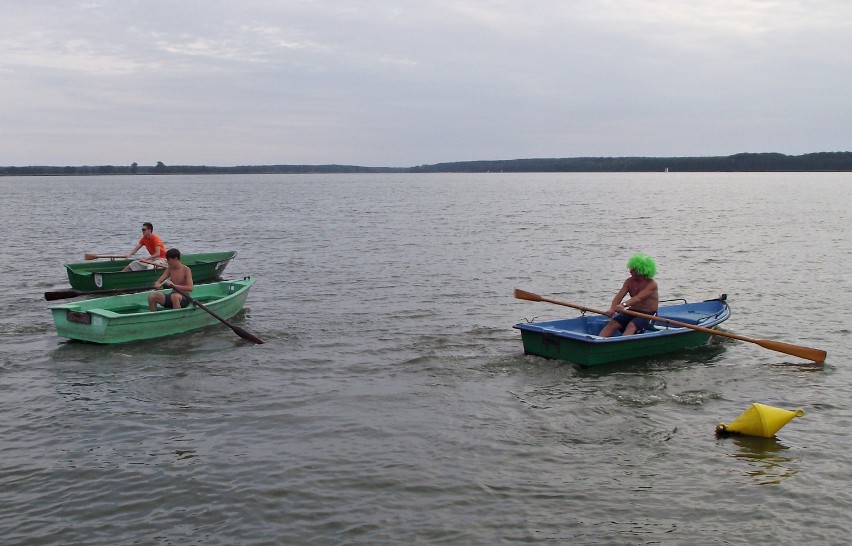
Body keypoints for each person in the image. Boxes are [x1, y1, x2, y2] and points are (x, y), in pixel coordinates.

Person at [599, 253, 659, 338]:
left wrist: (623, 305)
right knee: (612, 323)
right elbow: (619, 295)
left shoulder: (651, 284)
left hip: (648, 314)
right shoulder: (629, 281)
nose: (630, 271)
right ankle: (598, 341)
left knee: (631, 326)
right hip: (632, 311)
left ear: (641, 271)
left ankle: (621, 345)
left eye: (633, 269)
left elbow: (639, 298)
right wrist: (612, 308)